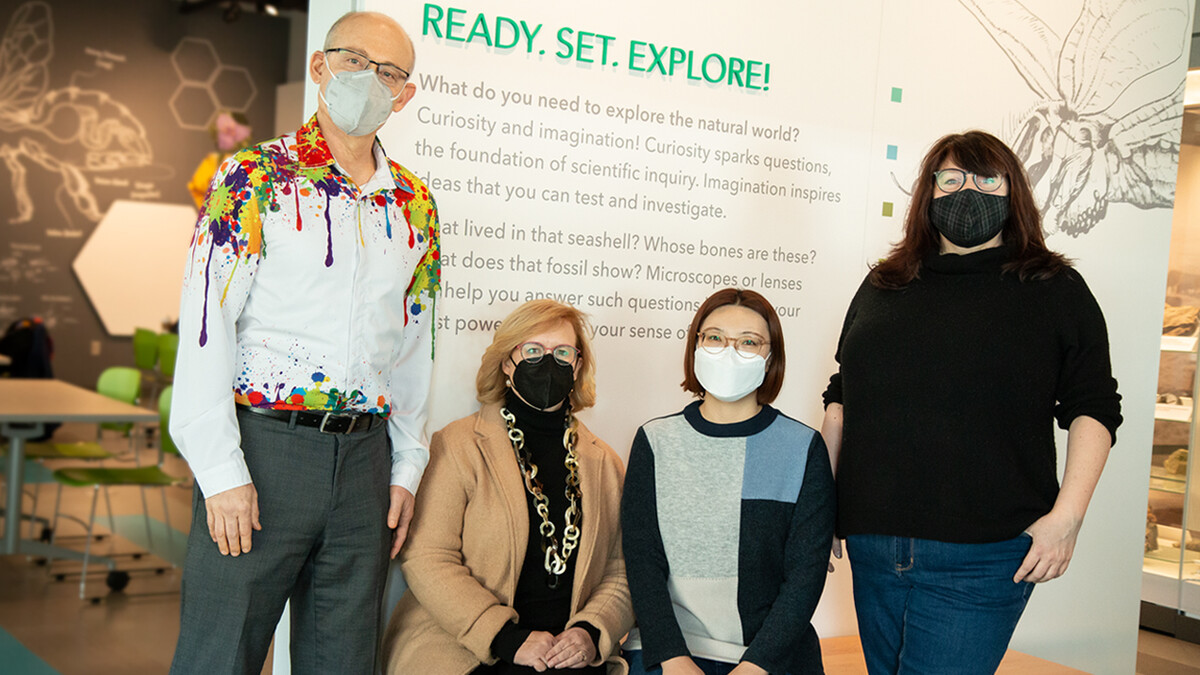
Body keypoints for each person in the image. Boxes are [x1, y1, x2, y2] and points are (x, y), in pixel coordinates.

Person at [169, 11, 439, 674]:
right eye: (354, 61)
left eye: (389, 72)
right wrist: (221, 472)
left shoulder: (414, 204)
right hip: (264, 451)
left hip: (365, 462)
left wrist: (406, 466)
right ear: (320, 67)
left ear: (404, 95)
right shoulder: (252, 177)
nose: (369, 80)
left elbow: (412, 344)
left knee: (343, 661)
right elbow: (207, 327)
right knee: (219, 655)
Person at [822, 130, 1122, 674]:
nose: (968, 192)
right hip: (873, 544)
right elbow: (842, 397)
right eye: (951, 178)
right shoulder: (884, 284)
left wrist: (1067, 518)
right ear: (928, 192)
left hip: (983, 554)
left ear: (1013, 193)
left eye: (987, 179)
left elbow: (1093, 407)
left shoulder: (1054, 288)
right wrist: (823, 504)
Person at [383, 299, 633, 675]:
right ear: (506, 362)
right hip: (466, 651)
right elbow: (428, 557)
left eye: (562, 352)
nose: (548, 362)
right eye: (532, 350)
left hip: (568, 658)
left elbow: (621, 570)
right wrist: (504, 637)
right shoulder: (458, 445)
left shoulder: (606, 463)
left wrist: (591, 631)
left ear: (578, 365)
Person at [621, 288, 835, 675]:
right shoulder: (656, 441)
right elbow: (643, 561)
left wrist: (757, 665)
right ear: (696, 345)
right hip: (671, 651)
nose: (729, 351)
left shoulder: (802, 447)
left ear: (770, 360)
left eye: (749, 342)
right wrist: (673, 658)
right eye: (715, 337)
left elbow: (805, 575)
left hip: (770, 656)